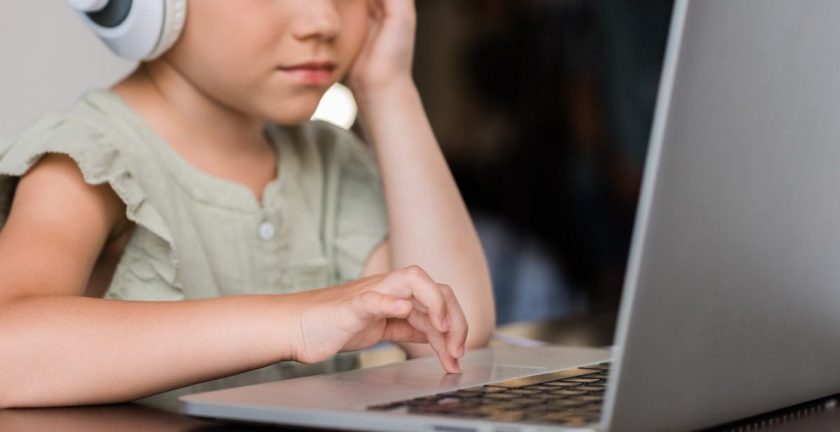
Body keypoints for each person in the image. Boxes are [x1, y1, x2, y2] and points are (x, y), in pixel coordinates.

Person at [0, 0, 495, 408]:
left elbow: (455, 331)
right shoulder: (92, 156)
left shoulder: (326, 159)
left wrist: (387, 87)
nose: (322, 21)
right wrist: (295, 321)